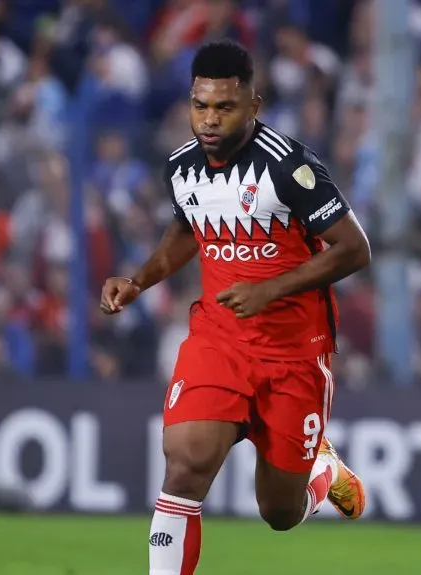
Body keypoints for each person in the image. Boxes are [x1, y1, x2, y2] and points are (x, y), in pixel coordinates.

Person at [100, 40, 371, 574]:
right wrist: (139, 280)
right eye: (201, 106)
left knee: (279, 512)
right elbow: (186, 234)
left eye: (224, 107)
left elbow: (354, 249)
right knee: (184, 468)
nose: (210, 119)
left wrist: (270, 289)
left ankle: (323, 474)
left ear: (254, 105)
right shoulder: (181, 169)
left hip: (294, 352)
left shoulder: (288, 167)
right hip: (219, 341)